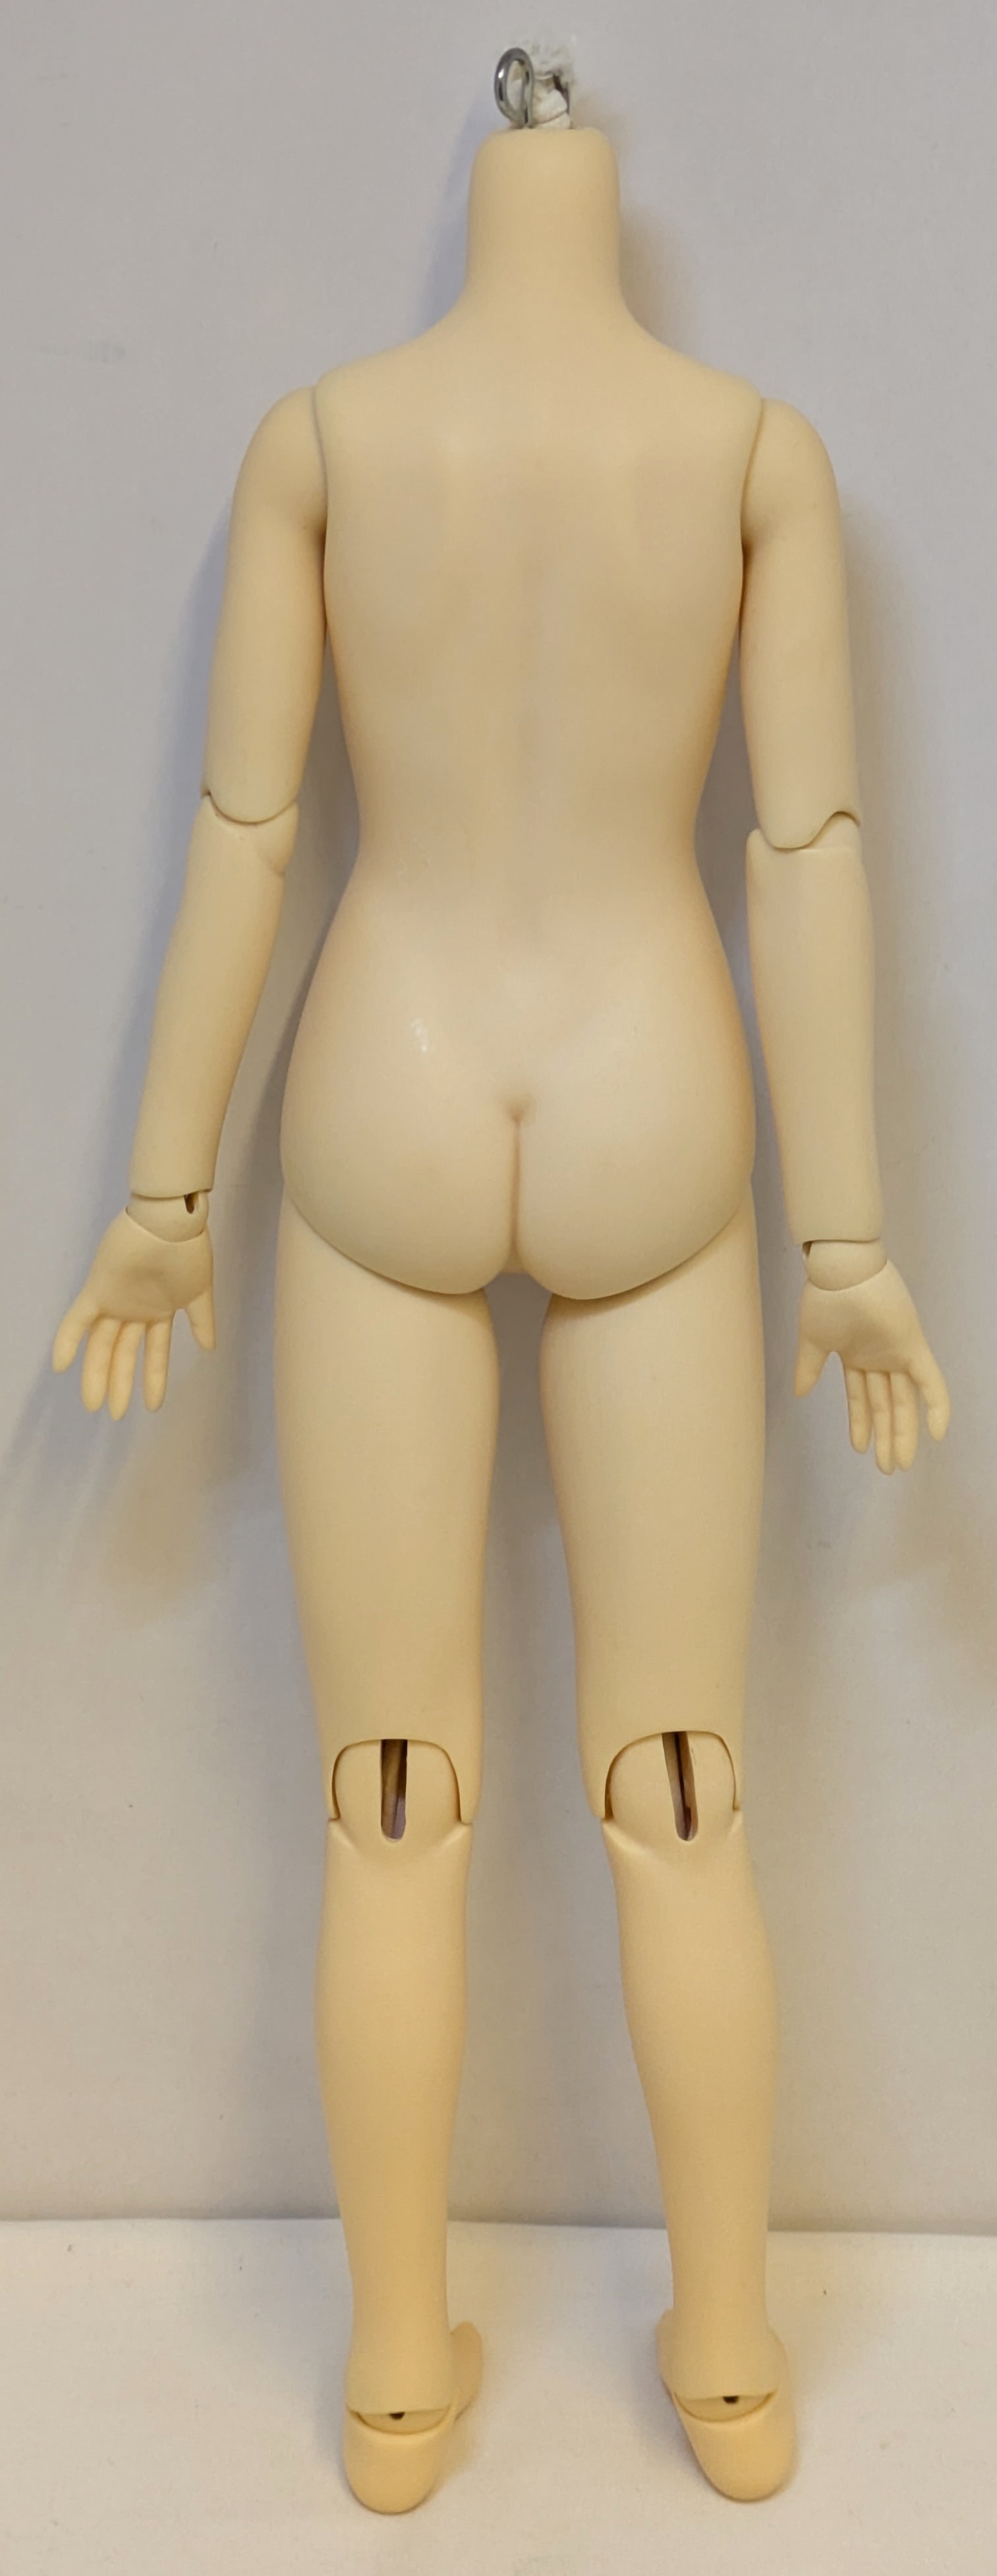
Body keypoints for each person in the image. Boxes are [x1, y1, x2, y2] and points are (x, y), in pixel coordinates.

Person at [53, 111, 949, 2511]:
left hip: (389, 1088)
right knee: (681, 1782)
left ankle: (394, 2372)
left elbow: (251, 834)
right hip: (655, 1085)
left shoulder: (328, 442)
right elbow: (805, 851)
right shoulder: (746, 454)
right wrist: (847, 1239)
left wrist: (164, 1187)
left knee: (391, 1794)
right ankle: (731, 2354)